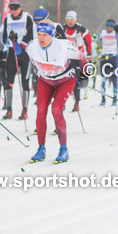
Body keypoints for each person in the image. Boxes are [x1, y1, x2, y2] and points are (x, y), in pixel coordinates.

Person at [26, 20, 80, 163]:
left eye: (45, 35)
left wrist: (82, 71)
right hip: (45, 81)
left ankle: (63, 149)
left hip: (66, 80)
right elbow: (22, 48)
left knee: (56, 109)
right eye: (39, 34)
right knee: (41, 111)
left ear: (53, 35)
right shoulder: (32, 47)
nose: (41, 38)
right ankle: (41, 148)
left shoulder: (64, 46)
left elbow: (82, 58)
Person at [0, 0, 34, 120]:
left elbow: (30, 35)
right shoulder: (7, 19)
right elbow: (3, 37)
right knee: (8, 81)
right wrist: (3, 47)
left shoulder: (27, 17)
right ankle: (9, 110)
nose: (13, 10)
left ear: (21, 7)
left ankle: (24, 111)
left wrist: (19, 42)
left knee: (25, 81)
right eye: (11, 8)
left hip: (24, 52)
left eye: (16, 8)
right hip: (11, 52)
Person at [63, 11, 92, 112]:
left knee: (75, 82)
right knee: (64, 81)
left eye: (71, 20)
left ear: (75, 19)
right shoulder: (63, 28)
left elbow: (89, 41)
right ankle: (63, 104)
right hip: (66, 58)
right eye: (68, 20)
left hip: (77, 58)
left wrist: (89, 56)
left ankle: (76, 103)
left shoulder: (81, 29)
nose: (69, 22)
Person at [97, 19, 118, 107]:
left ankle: (114, 97)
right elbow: (94, 39)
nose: (108, 28)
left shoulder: (116, 33)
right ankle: (103, 98)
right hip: (104, 58)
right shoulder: (103, 33)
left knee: (114, 78)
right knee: (103, 79)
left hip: (113, 57)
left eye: (111, 26)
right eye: (107, 26)